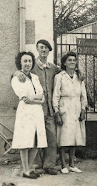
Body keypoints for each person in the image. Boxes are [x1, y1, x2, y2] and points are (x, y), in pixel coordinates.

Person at [13, 39, 59, 175]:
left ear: (49, 51)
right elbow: (17, 73)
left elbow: (65, 72)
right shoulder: (31, 67)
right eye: (41, 48)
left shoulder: (53, 68)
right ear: (37, 50)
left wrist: (79, 72)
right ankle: (35, 165)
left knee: (50, 138)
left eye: (46, 48)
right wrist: (16, 73)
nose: (44, 50)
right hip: (32, 110)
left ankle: (49, 165)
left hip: (48, 108)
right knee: (32, 138)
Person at [11, 51, 47, 179]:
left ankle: (29, 168)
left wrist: (35, 98)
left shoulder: (35, 77)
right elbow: (24, 98)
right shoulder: (17, 79)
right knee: (24, 142)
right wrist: (36, 98)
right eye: (25, 61)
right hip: (25, 112)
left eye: (30, 61)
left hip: (37, 112)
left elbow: (42, 96)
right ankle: (26, 170)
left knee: (37, 141)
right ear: (20, 62)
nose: (27, 63)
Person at [53, 52, 88, 174]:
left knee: (74, 137)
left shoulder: (79, 77)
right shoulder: (60, 77)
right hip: (64, 108)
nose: (72, 62)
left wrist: (83, 109)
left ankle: (72, 164)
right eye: (70, 60)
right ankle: (63, 165)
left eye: (74, 60)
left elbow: (83, 95)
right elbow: (55, 96)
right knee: (63, 138)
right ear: (64, 63)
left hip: (76, 108)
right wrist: (57, 112)